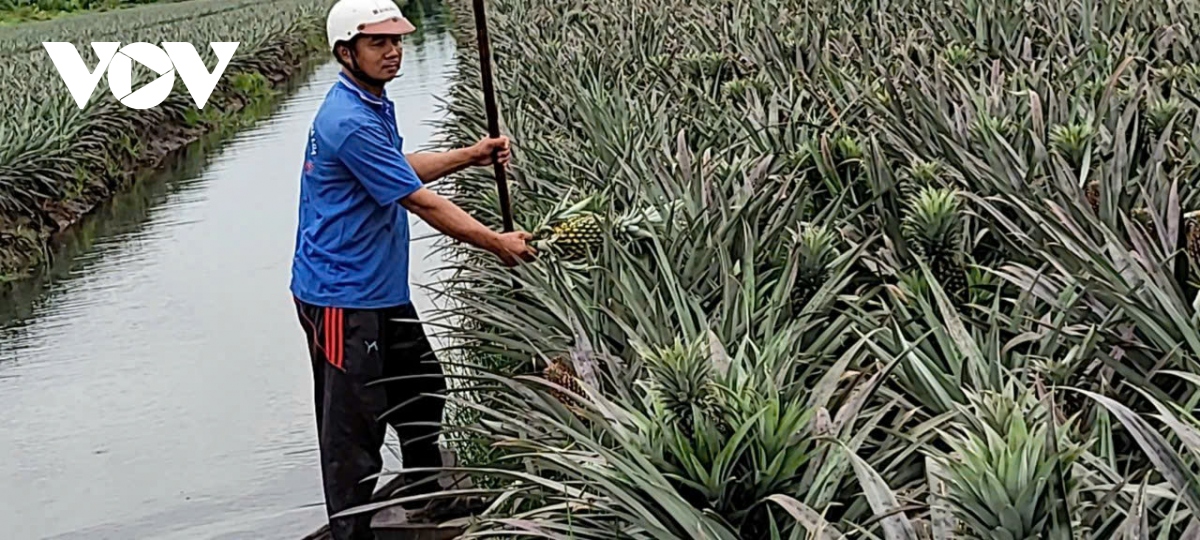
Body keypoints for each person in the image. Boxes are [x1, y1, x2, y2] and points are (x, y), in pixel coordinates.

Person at [289, 0, 535, 538]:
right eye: (378, 43)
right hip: (341, 295)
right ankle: (352, 531)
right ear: (345, 51)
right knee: (353, 427)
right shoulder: (347, 119)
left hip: (378, 288)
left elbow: (397, 166)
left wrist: (470, 155)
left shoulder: (370, 103)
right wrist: (496, 242)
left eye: (396, 41)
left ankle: (425, 494)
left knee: (421, 386)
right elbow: (418, 200)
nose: (393, 51)